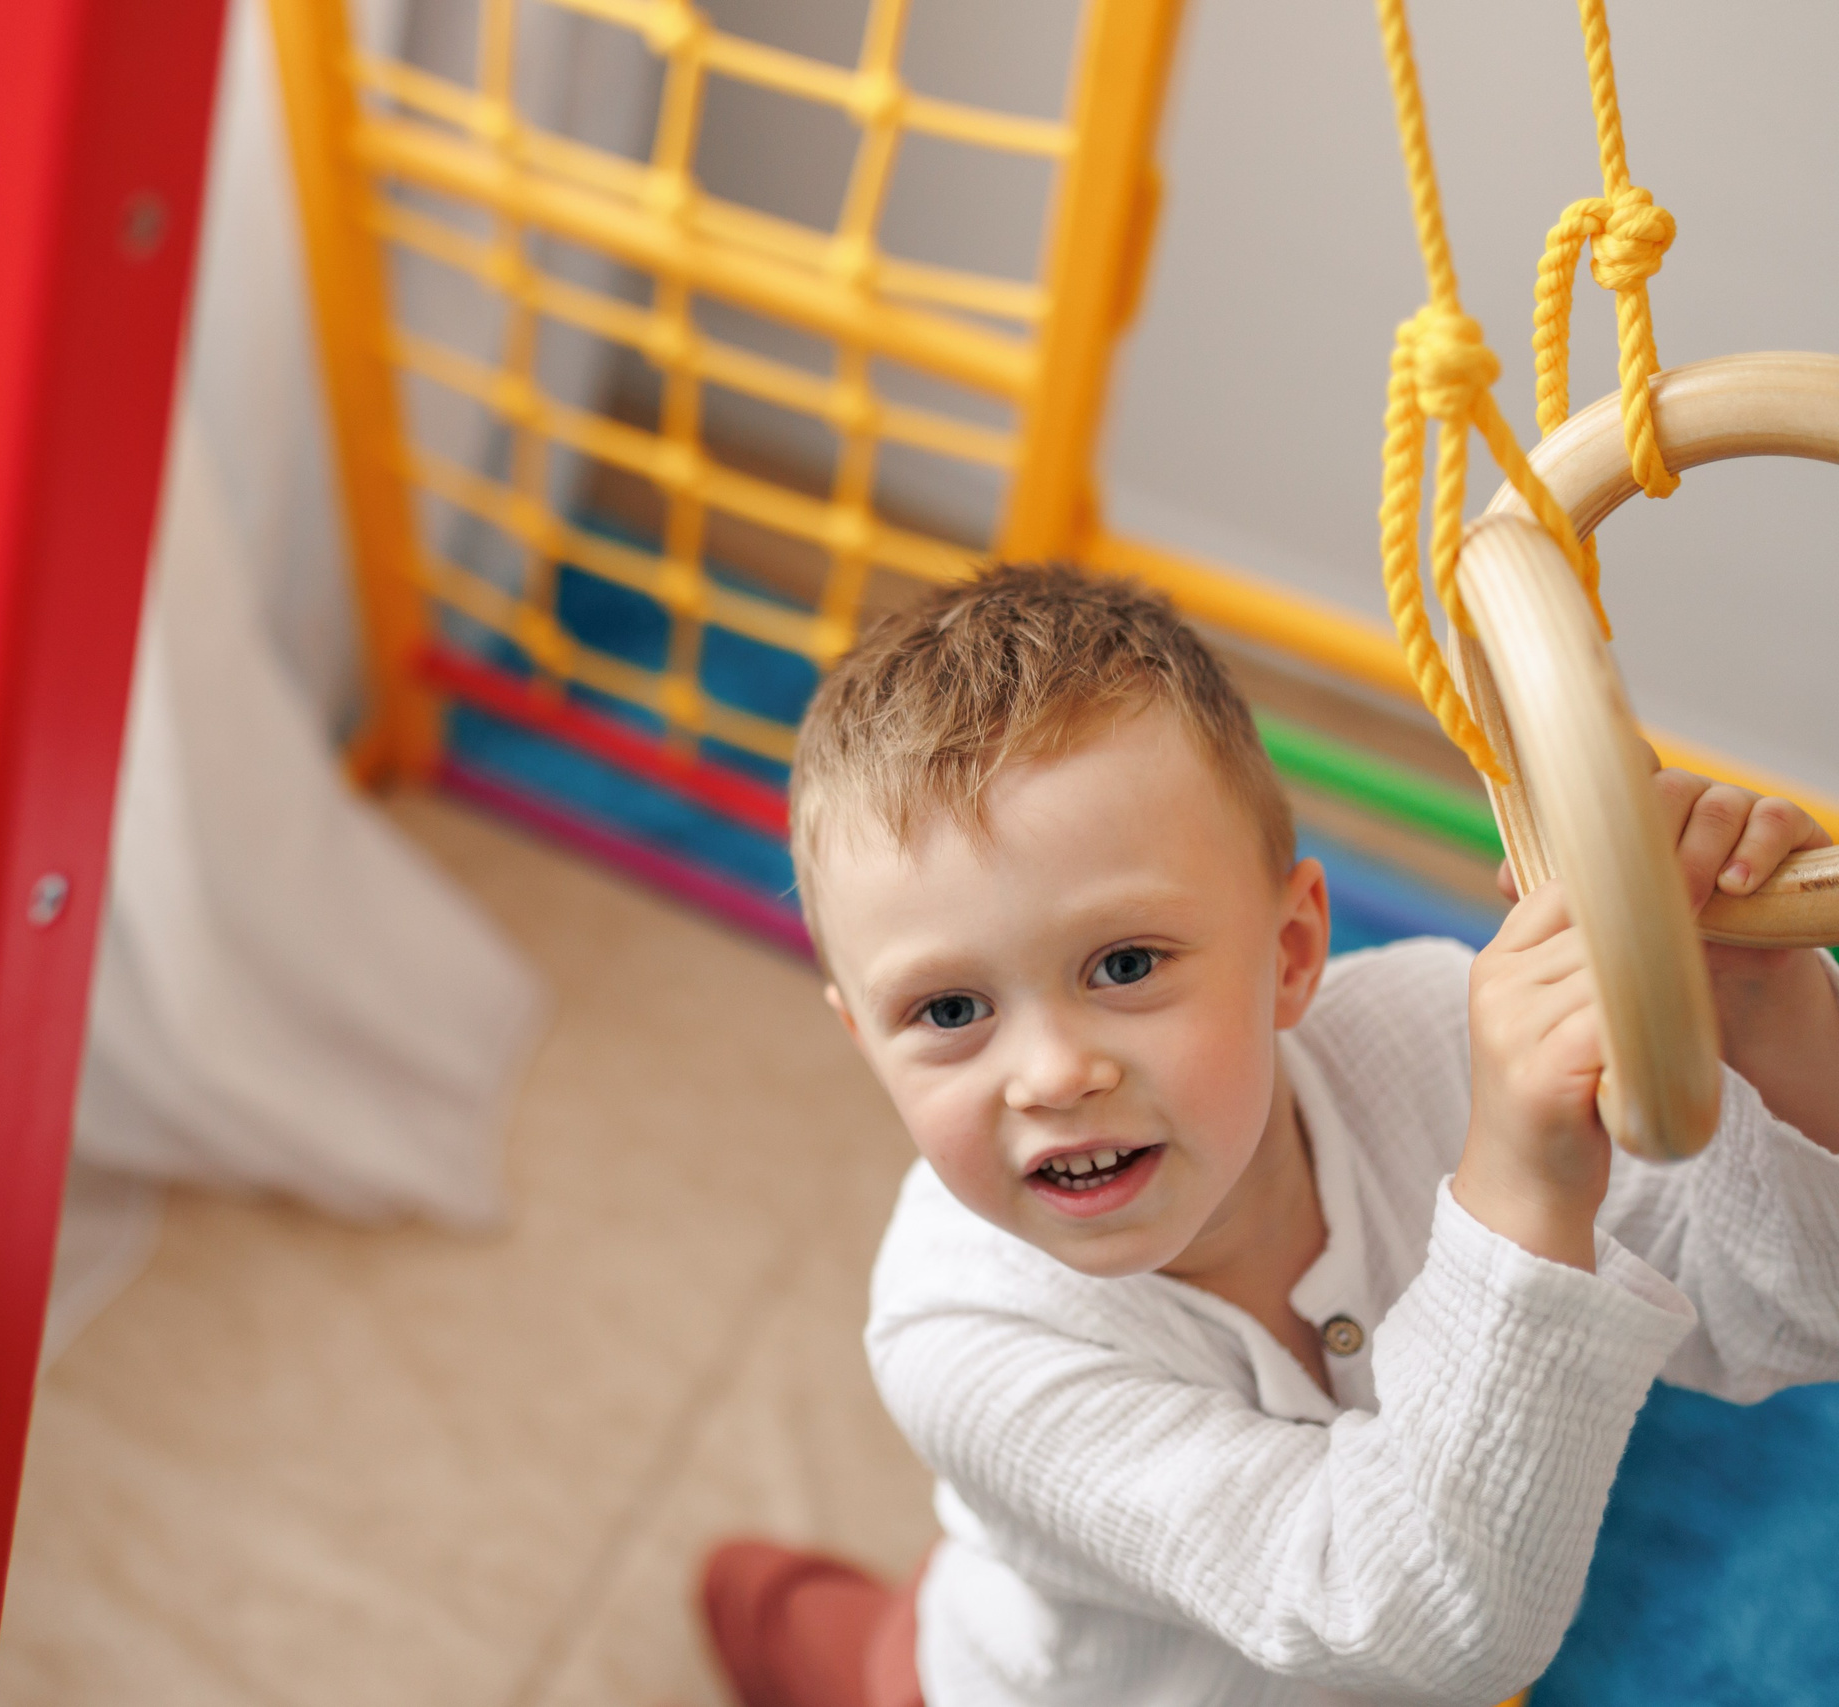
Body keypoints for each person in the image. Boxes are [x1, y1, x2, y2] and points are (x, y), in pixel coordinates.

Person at [699, 565, 1839, 1707]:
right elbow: (1427, 1622)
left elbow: (1792, 1317)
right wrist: (1520, 1193)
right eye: (948, 1012)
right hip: (999, 1684)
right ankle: (779, 1612)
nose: (1051, 1076)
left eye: (1126, 964)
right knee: (843, 1655)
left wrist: (1761, 1004)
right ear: (864, 1040)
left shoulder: (1431, 1032)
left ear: (1290, 957)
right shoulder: (956, 1333)